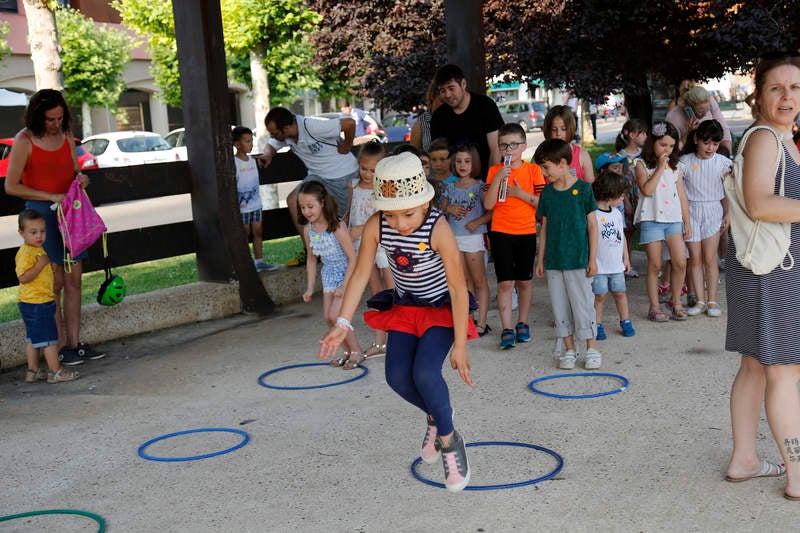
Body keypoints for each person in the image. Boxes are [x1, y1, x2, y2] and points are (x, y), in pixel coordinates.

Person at [318, 152, 477, 492]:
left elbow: (458, 289)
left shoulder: (439, 228)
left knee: (424, 373)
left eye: (409, 213)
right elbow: (361, 273)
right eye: (391, 214)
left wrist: (461, 345)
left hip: (440, 310)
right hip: (405, 307)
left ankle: (449, 440)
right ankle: (437, 416)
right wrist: (342, 323)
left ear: (425, 203)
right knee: (395, 377)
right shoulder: (378, 225)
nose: (401, 222)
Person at [724, 54, 800, 500]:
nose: (788, 96)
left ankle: (745, 459)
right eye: (777, 88)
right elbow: (760, 204)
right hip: (774, 272)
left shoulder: (784, 139)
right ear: (759, 95)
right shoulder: (767, 139)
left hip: (763, 268)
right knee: (785, 371)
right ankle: (797, 475)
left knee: (755, 365)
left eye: (795, 88)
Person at [4, 89, 105, 365]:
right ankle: (57, 347)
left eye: (60, 118)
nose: (56, 124)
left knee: (74, 280)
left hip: (70, 215)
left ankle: (74, 344)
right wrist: (50, 196)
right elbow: (11, 186)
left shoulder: (65, 136)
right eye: (50, 119)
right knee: (54, 282)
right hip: (42, 218)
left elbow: (73, 172)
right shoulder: (24, 140)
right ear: (38, 116)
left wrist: (80, 180)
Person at [533, 139, 601, 370]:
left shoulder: (583, 189)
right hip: (554, 261)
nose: (543, 172)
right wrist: (540, 259)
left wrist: (592, 259)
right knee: (559, 305)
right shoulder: (548, 194)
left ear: (562, 163)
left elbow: (593, 225)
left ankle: (591, 347)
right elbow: (545, 228)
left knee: (583, 304)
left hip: (578, 260)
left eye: (546, 167)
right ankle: (569, 348)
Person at [262, 107, 358, 267]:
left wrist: (347, 145)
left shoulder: (311, 126)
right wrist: (267, 153)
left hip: (342, 174)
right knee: (294, 200)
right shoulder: (285, 135)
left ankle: (350, 258)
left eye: (274, 132)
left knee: (347, 220)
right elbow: (271, 145)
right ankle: (311, 252)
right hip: (317, 176)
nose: (273, 136)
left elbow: (349, 123)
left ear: (285, 128)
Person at [484, 123, 546, 349]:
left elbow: (542, 204)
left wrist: (520, 193)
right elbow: (488, 204)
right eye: (503, 146)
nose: (508, 150)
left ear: (523, 146)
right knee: (505, 283)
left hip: (526, 232)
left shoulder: (533, 171)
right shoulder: (494, 171)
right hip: (501, 232)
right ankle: (507, 328)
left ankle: (523, 322)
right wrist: (500, 176)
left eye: (513, 145)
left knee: (525, 281)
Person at [298, 181, 363, 369]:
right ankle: (346, 351)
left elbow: (353, 258)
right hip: (328, 274)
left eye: (310, 206)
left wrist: (344, 285)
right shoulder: (308, 230)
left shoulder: (336, 226)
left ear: (322, 203)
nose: (307, 211)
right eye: (303, 207)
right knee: (328, 317)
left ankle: (357, 351)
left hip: (345, 272)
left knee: (337, 315)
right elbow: (311, 260)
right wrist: (310, 287)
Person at [633, 121, 692, 322]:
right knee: (655, 264)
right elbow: (647, 190)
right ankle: (655, 306)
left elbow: (682, 196)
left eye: (671, 146)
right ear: (652, 142)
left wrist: (687, 223)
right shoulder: (640, 164)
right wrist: (659, 167)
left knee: (680, 262)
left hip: (673, 219)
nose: (667, 149)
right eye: (663, 145)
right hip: (651, 218)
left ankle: (675, 301)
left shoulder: (677, 167)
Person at [16, 210, 80, 383]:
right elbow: (23, 277)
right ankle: (55, 372)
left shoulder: (36, 249)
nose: (39, 236)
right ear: (21, 233)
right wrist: (40, 266)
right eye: (33, 232)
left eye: (42, 231)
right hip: (38, 303)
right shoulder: (26, 253)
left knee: (33, 338)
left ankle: (33, 371)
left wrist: (47, 269)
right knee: (50, 340)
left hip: (32, 302)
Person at [679, 119, 731, 317]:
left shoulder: (723, 163)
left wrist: (728, 213)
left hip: (713, 211)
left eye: (715, 144)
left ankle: (712, 301)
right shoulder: (686, 161)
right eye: (706, 142)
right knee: (695, 259)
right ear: (696, 140)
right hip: (691, 212)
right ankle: (699, 300)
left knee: (710, 259)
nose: (711, 148)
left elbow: (728, 192)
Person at [441, 144, 492, 336]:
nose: (462, 165)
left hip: (473, 237)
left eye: (467, 161)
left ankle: (482, 321)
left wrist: (478, 221)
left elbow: (491, 211)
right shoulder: (449, 187)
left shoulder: (480, 186)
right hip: (453, 238)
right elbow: (441, 210)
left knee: (479, 280)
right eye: (459, 161)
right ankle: (468, 319)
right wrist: (449, 209)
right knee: (462, 281)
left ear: (474, 163)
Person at [349, 141, 393, 359]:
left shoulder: (385, 188)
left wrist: (362, 228)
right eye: (363, 168)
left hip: (384, 245)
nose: (367, 174)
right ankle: (380, 342)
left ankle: (398, 339)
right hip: (363, 245)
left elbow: (389, 218)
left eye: (373, 170)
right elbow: (349, 214)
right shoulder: (353, 187)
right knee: (376, 293)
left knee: (394, 291)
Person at [430, 64, 504, 179]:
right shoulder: (438, 116)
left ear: (463, 84)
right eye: (442, 90)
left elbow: (496, 148)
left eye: (451, 88)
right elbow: (439, 154)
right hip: (455, 184)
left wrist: (490, 184)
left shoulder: (485, 106)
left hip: (486, 178)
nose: (448, 95)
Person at [590, 169, 635, 340]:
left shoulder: (616, 214)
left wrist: (626, 258)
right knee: (599, 296)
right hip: (599, 266)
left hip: (616, 265)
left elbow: (621, 235)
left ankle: (625, 320)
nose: (623, 198)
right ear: (610, 195)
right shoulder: (592, 214)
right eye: (621, 195)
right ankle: (597, 324)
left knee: (620, 293)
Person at [232, 126, 277, 272]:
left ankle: (259, 261)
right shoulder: (233, 163)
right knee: (245, 234)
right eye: (247, 141)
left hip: (256, 205)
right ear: (237, 144)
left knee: (258, 232)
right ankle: (246, 263)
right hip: (242, 207)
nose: (251, 144)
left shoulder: (253, 161)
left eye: (252, 141)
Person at [614, 118, 649, 277]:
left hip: (644, 197)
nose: (645, 136)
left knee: (648, 233)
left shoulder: (646, 154)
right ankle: (626, 265)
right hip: (628, 197)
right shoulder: (620, 156)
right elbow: (619, 182)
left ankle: (653, 264)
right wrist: (626, 202)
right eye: (642, 133)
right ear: (633, 135)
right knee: (627, 234)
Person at [665, 84, 733, 154]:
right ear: (689, 108)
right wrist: (688, 133)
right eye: (701, 111)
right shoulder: (673, 117)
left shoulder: (710, 101)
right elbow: (673, 150)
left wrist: (728, 153)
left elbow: (724, 128)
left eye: (707, 110)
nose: (706, 114)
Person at [543, 105, 595, 183]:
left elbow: (591, 189)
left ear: (570, 128)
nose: (558, 134)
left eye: (563, 129)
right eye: (554, 129)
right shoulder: (540, 156)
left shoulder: (582, 155)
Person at [410, 79, 442, 153]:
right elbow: (413, 156)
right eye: (442, 101)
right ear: (432, 96)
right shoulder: (421, 123)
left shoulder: (455, 118)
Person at [427, 137, 456, 207]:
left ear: (452, 159)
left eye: (442, 159)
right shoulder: (428, 183)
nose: (438, 164)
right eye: (434, 160)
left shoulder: (458, 182)